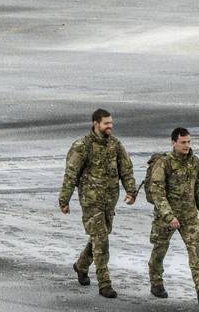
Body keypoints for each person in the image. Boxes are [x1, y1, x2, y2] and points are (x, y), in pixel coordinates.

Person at [58, 108, 137, 298]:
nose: (110, 126)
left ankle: (81, 265)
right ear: (96, 124)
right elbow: (71, 174)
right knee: (101, 240)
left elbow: (126, 169)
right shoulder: (82, 146)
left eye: (111, 123)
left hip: (110, 201)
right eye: (106, 123)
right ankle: (104, 284)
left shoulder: (116, 145)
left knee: (98, 238)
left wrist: (131, 191)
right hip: (90, 201)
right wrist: (64, 199)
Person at [146, 127, 199, 304]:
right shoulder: (164, 163)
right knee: (160, 250)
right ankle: (156, 282)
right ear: (174, 143)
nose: (187, 145)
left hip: (189, 215)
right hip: (166, 216)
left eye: (189, 142)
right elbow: (157, 192)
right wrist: (169, 216)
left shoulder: (195, 162)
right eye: (183, 142)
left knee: (196, 251)